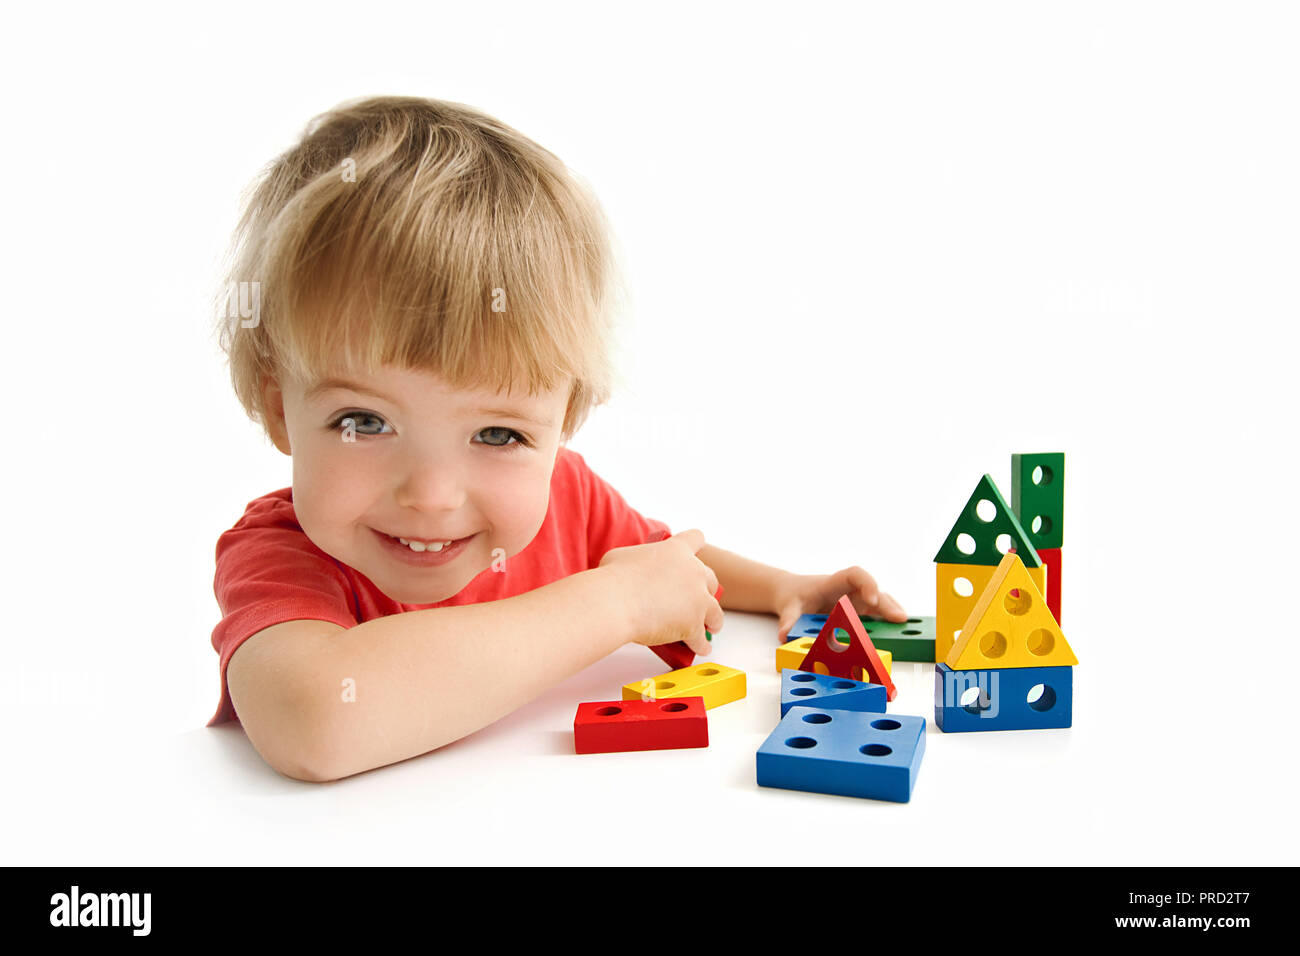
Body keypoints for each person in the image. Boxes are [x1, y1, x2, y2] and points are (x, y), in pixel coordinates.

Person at [209, 95, 906, 781]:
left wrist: (787, 585)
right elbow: (318, 722)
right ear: (279, 409)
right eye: (364, 422)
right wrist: (612, 605)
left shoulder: (565, 496)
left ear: (564, 421)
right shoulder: (282, 557)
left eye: (497, 433)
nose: (431, 495)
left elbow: (660, 560)